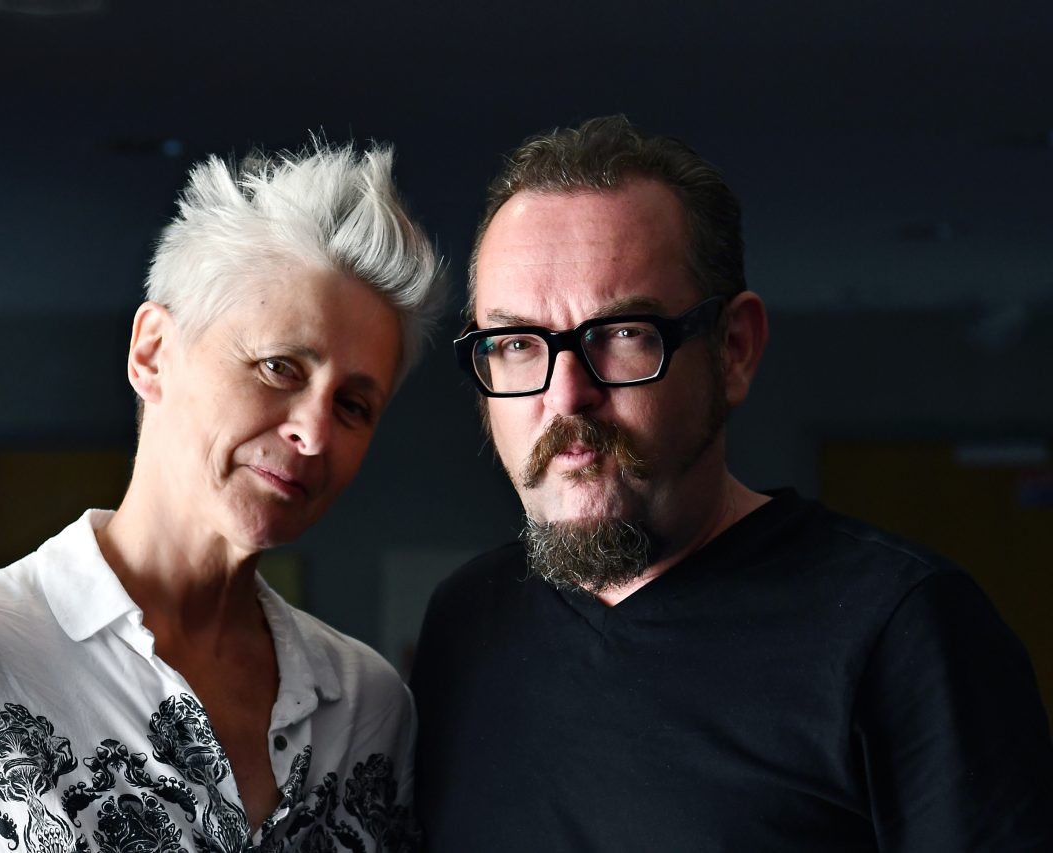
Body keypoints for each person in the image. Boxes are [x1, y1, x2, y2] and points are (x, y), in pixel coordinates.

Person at [410, 115, 1053, 850]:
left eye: (622, 334)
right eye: (518, 343)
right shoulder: (467, 623)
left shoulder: (903, 631)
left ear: (735, 350)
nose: (566, 396)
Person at [0, 140, 442, 853]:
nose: (314, 433)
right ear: (152, 352)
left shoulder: (369, 708)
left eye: (353, 405)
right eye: (280, 366)